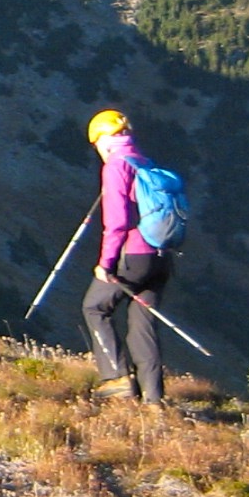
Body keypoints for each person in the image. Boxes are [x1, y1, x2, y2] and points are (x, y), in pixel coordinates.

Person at [81, 109, 170, 404]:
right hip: (161, 256)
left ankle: (116, 379)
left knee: (95, 307)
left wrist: (106, 264)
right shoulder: (144, 162)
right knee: (143, 322)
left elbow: (117, 223)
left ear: (104, 139)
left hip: (133, 254)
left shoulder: (117, 166)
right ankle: (153, 400)